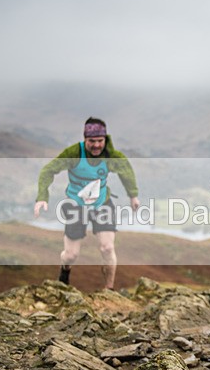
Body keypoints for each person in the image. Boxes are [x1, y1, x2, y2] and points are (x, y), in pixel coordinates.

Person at [34, 117, 140, 290]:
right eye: (92, 141)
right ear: (85, 139)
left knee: (107, 248)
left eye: (100, 141)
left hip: (102, 203)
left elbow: (125, 171)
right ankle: (65, 271)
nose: (97, 145)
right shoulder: (74, 153)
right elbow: (48, 170)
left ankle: (109, 289)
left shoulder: (111, 155)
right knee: (71, 255)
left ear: (105, 139)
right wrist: (42, 197)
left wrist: (133, 196)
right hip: (76, 205)